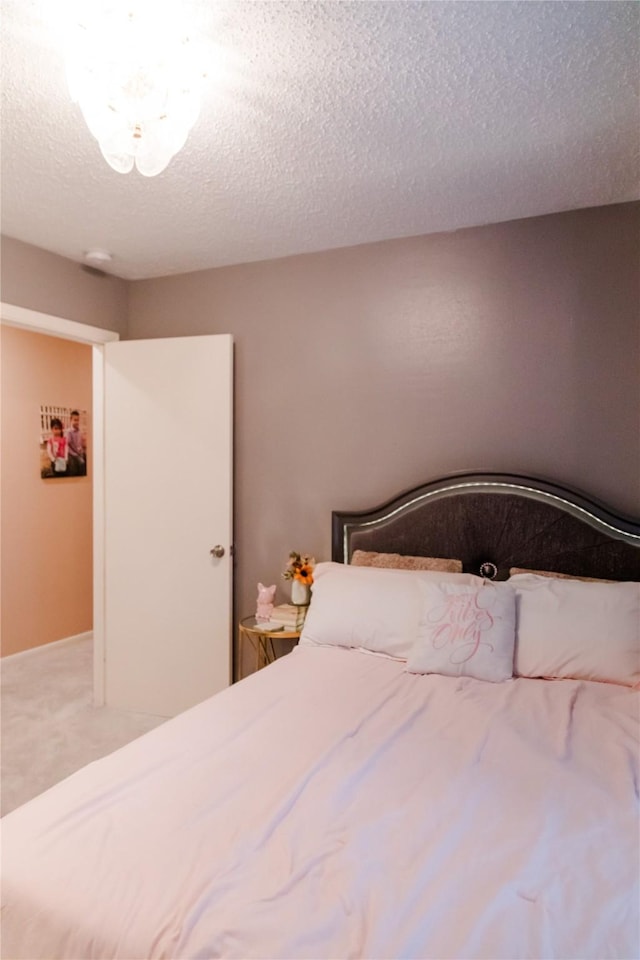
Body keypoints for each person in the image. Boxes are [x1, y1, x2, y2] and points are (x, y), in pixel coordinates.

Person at [66, 410, 86, 476]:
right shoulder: (69, 432)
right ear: (70, 420)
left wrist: (81, 449)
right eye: (75, 420)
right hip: (72, 455)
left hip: (78, 452)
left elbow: (79, 442)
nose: (77, 422)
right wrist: (76, 454)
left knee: (81, 468)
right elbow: (69, 445)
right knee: (74, 471)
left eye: (78, 420)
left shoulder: (78, 430)